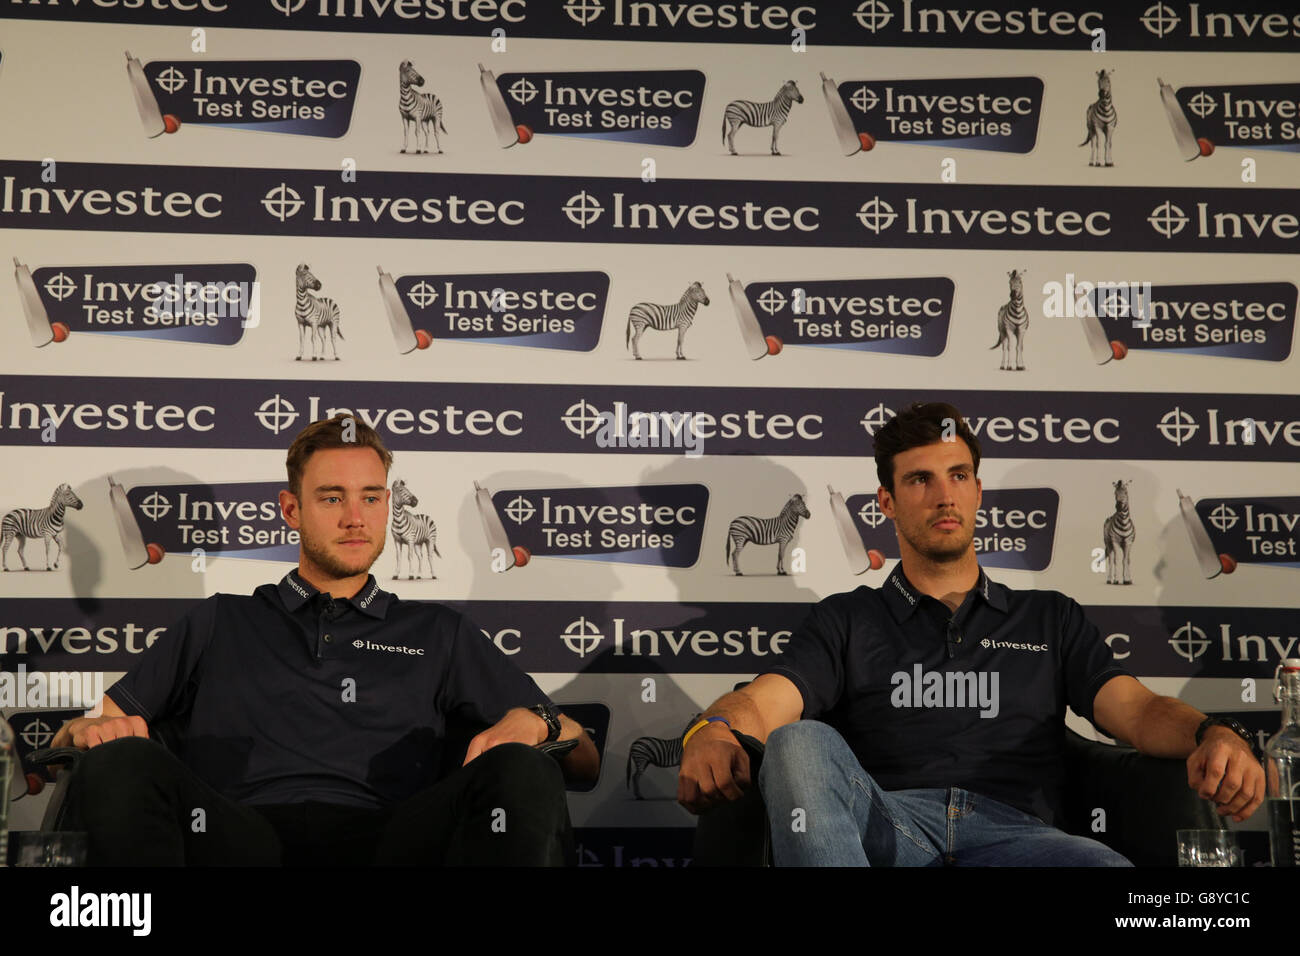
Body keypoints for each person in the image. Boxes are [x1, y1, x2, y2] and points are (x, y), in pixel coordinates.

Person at [677, 401, 1263, 866]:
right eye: (920, 480)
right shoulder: (846, 618)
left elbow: (1137, 710)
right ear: (886, 501)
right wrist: (713, 729)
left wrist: (1214, 732)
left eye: (959, 475)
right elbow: (763, 702)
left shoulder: (1049, 616)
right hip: (887, 827)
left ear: (978, 492)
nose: (944, 494)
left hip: (1022, 835)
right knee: (797, 743)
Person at [53, 414, 598, 866]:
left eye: (370, 498)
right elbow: (78, 736)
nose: (355, 518)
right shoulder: (220, 621)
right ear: (291, 509)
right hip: (236, 841)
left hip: (393, 842)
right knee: (117, 761)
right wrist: (87, 731)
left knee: (523, 767)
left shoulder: (438, 630)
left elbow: (585, 761)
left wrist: (544, 722)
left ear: (389, 505)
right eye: (332, 498)